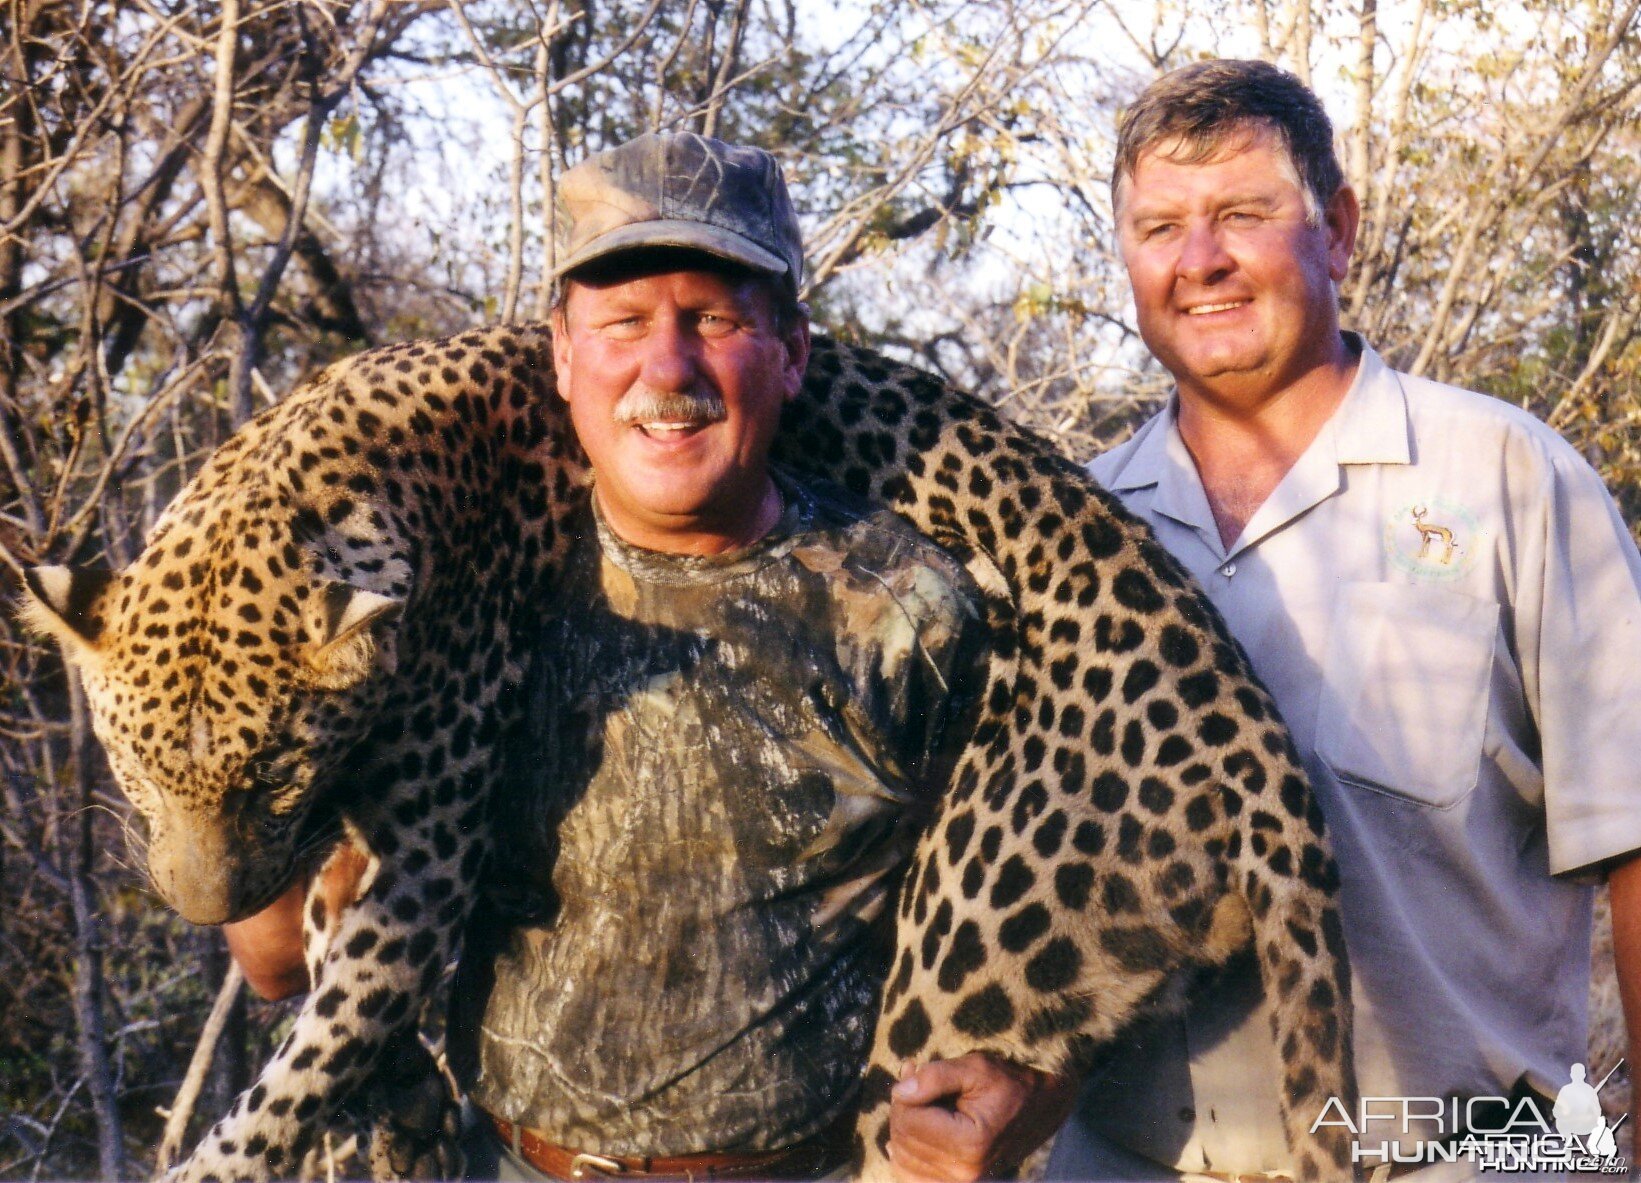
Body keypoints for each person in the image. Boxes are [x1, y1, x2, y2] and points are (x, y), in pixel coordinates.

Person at [225, 131, 1074, 1183]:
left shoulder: (917, 611)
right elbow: (273, 957)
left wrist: (1027, 1099)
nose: (666, 369)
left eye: (714, 320)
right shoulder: (466, 590)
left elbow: (1050, 923)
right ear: (561, 354)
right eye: (622, 321)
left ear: (795, 351)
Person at [1046, 59, 1641, 1182]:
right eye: (1160, 225)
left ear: (1339, 231)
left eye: (1243, 214)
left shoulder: (1509, 478)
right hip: (1128, 1156)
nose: (1200, 259)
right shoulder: (1076, 526)